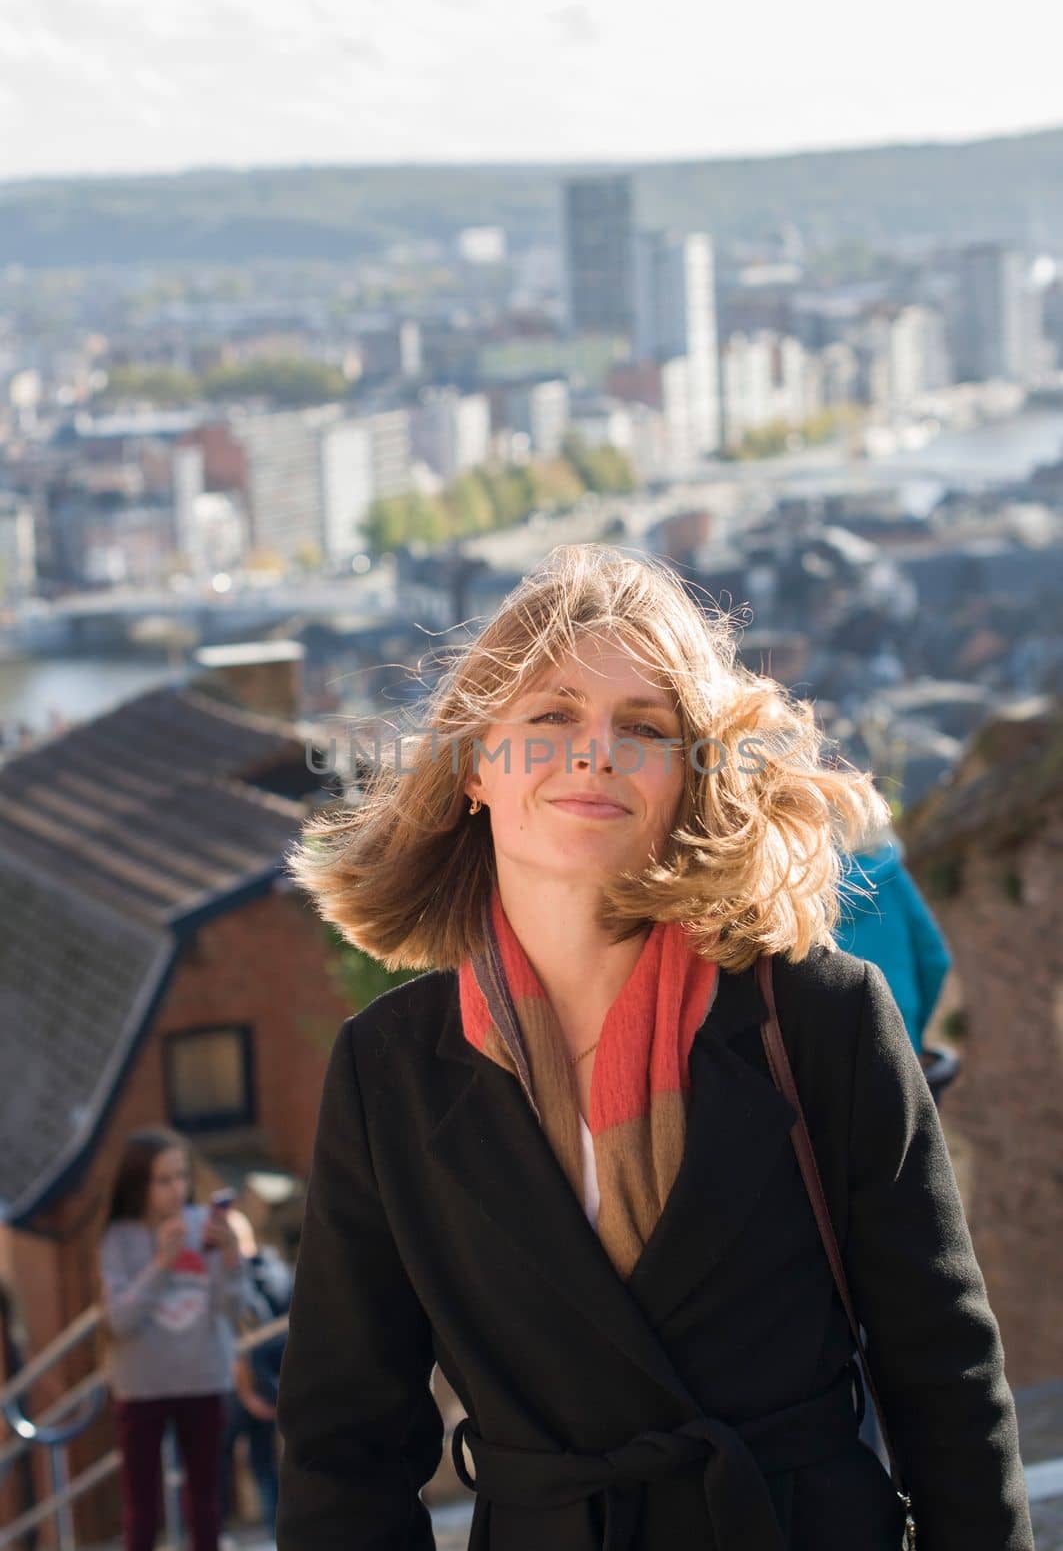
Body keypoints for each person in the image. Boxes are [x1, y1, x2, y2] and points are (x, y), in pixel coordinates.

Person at [276, 543, 1033, 1550]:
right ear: (472, 768)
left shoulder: (819, 1015)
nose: (595, 751)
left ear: (687, 781)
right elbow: (343, 1446)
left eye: (642, 727)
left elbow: (945, 1382)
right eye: (551, 715)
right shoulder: (390, 1071)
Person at [97, 1128, 252, 1551]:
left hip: (203, 1376)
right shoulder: (119, 1238)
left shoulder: (207, 1225)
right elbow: (121, 1319)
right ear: (138, 1184)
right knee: (142, 1505)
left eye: (181, 1176)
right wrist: (162, 1263)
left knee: (206, 1500)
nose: (176, 1189)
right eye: (163, 1179)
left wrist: (233, 1259)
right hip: (142, 1385)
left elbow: (231, 1310)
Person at [834, 823, 952, 1056]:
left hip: (825, 1045)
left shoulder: (790, 891)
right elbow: (936, 960)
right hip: (899, 1030)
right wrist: (913, 1025)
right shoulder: (888, 871)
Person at [219, 1209, 291, 1538]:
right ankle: (275, 1532)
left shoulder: (241, 1277)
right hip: (267, 1387)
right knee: (263, 1463)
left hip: (245, 1387)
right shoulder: (277, 1271)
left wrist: (249, 1392)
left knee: (224, 1461)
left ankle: (215, 1534)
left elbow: (247, 1341)